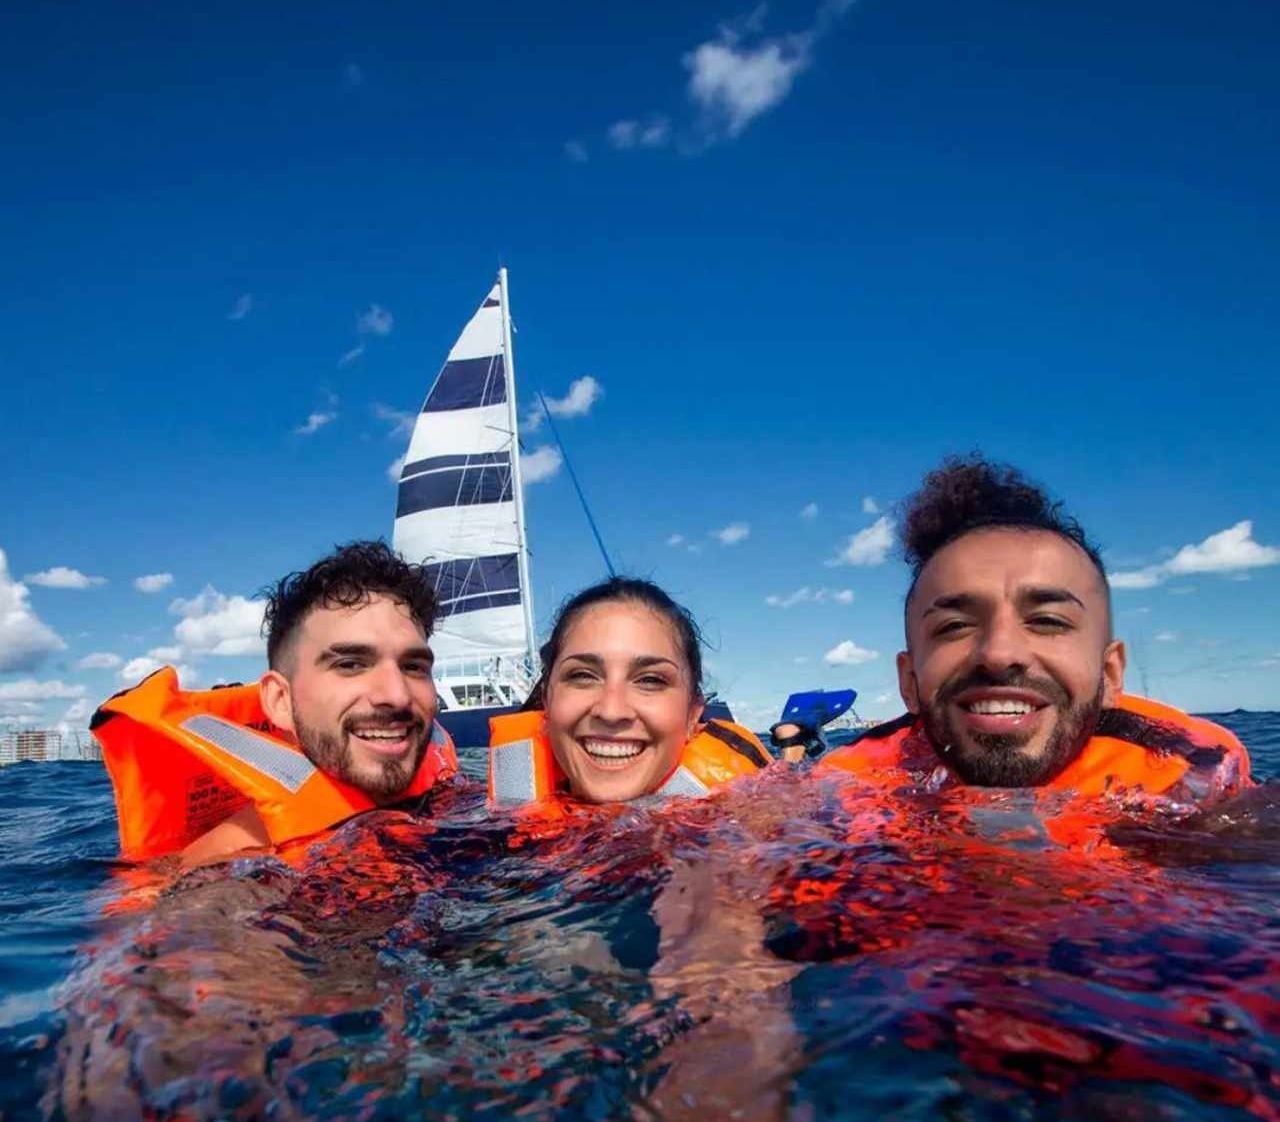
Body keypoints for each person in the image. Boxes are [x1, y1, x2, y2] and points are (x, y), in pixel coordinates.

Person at [818, 456, 1250, 799]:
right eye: (954, 626)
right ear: (909, 681)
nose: (1000, 653)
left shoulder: (1190, 771)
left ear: (1110, 673)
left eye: (1047, 621)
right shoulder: (847, 786)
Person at [95, 540, 457, 865]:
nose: (396, 695)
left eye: (413, 666)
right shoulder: (227, 874)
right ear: (280, 700)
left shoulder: (454, 800)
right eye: (350, 665)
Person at [488, 577, 771, 805]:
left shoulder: (754, 827)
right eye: (583, 675)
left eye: (650, 680)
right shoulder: (478, 826)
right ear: (547, 703)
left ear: (692, 716)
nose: (611, 711)